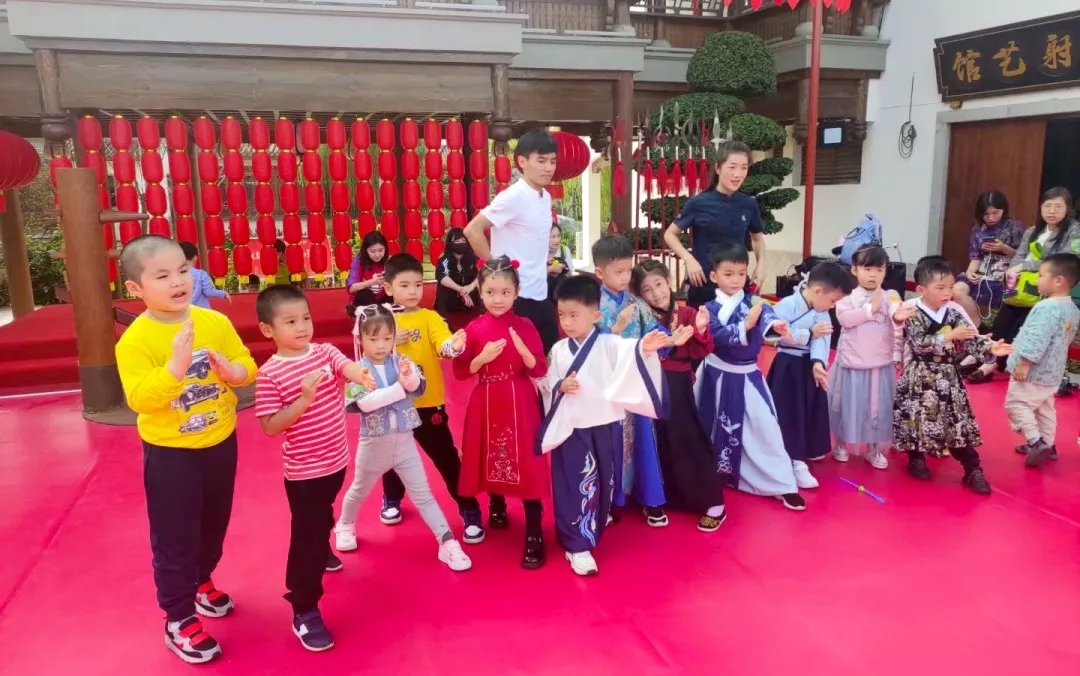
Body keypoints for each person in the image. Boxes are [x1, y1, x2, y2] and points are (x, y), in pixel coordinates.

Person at [114, 235, 257, 665]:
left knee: (214, 523)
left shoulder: (212, 322)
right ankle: (178, 617)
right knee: (175, 536)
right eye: (163, 276)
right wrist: (175, 368)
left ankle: (202, 579)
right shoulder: (135, 341)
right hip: (171, 453)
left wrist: (235, 371)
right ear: (136, 288)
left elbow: (245, 363)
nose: (179, 281)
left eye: (182, 270)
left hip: (220, 441)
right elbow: (139, 398)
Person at [252, 285, 378, 652]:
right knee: (305, 537)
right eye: (290, 321)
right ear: (268, 330)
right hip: (305, 472)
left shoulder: (323, 352)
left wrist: (362, 375)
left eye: (305, 318)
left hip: (337, 460)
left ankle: (322, 548)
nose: (302, 326)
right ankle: (304, 608)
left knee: (323, 516)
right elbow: (271, 426)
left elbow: (346, 365)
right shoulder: (270, 374)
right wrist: (304, 399)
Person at [541, 275, 672, 575]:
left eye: (574, 315)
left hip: (606, 425)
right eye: (562, 315)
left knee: (603, 481)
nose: (567, 322)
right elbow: (546, 381)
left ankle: (594, 525)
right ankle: (577, 544)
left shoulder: (611, 344)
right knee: (575, 484)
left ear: (595, 315)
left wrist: (645, 347)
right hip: (573, 428)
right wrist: (559, 383)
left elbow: (632, 354)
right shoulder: (560, 350)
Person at [333, 304, 473, 571]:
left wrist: (409, 377)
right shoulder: (356, 370)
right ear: (360, 339)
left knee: (424, 495)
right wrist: (400, 387)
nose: (381, 345)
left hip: (405, 441)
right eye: (373, 339)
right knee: (359, 489)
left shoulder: (401, 362)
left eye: (387, 337)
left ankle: (447, 541)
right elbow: (366, 403)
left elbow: (417, 388)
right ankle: (345, 524)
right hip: (374, 443)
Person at [377, 254, 483, 544]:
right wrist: (389, 341)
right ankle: (391, 499)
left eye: (417, 284)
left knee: (447, 459)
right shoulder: (379, 320)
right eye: (404, 285)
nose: (413, 291)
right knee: (393, 458)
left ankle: (469, 508)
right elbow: (364, 355)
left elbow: (443, 344)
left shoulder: (430, 317)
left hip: (428, 405)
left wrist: (455, 345)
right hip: (392, 404)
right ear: (389, 288)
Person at [693, 241, 805, 510]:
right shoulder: (708, 308)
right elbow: (717, 335)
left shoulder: (754, 302)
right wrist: (746, 324)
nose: (735, 280)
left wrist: (775, 325)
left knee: (765, 428)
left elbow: (767, 318)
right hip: (716, 376)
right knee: (709, 427)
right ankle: (712, 475)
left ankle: (781, 483)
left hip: (747, 376)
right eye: (728, 274)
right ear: (714, 276)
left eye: (741, 274)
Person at [453, 256, 549, 568]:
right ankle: (496, 503)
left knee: (527, 459)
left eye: (505, 292)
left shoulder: (525, 326)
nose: (498, 298)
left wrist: (526, 355)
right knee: (489, 453)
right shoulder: (474, 328)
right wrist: (479, 359)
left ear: (516, 292)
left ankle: (534, 531)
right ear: (480, 292)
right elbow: (460, 372)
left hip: (520, 397)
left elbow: (540, 369)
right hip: (487, 398)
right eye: (491, 292)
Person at [893, 257, 1012, 493]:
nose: (947, 293)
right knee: (916, 419)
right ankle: (916, 457)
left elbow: (969, 337)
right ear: (921, 289)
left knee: (955, 422)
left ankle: (972, 468)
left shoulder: (954, 312)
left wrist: (989, 349)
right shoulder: (912, 312)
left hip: (948, 377)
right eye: (940, 288)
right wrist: (948, 336)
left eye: (949, 287)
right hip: (920, 375)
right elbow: (918, 343)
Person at [631, 260, 726, 532]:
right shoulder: (641, 316)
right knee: (655, 442)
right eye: (647, 290)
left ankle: (712, 501)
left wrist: (702, 329)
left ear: (668, 280)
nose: (656, 293)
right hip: (647, 385)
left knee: (687, 438)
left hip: (676, 384)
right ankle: (662, 497)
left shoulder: (687, 313)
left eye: (659, 284)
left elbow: (700, 351)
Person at [592, 234, 668, 526]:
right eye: (619, 271)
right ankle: (609, 499)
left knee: (643, 442)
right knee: (608, 444)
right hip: (606, 386)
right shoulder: (592, 305)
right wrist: (613, 328)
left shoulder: (637, 303)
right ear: (600, 272)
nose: (626, 277)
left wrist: (671, 338)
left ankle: (651, 499)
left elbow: (656, 333)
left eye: (628, 269)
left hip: (635, 383)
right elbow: (585, 345)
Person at [968, 187, 1080, 384]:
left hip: (1052, 286)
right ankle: (986, 354)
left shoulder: (1074, 231)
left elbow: (1062, 260)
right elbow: (1018, 256)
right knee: (1006, 316)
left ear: (1067, 209)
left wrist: (1024, 266)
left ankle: (992, 363)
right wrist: (1014, 269)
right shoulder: (1032, 231)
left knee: (1023, 322)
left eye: (1057, 207)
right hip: (1023, 285)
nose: (1051, 211)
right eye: (1047, 206)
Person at [464, 130, 560, 353]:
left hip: (540, 292)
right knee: (517, 364)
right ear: (522, 162)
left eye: (552, 161)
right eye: (542, 161)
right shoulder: (513, 196)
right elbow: (473, 230)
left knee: (547, 359)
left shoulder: (544, 196)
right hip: (515, 297)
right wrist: (496, 269)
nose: (548, 168)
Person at [766, 261, 853, 488]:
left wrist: (818, 363)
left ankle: (809, 448)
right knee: (790, 412)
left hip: (808, 366)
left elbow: (823, 338)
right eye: (833, 300)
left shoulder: (821, 310)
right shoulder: (786, 305)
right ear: (817, 291)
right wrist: (807, 333)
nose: (832, 306)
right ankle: (794, 459)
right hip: (788, 364)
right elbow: (773, 336)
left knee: (810, 408)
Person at [663, 140, 768, 308]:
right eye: (732, 167)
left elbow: (756, 239)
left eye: (744, 167)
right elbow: (670, 234)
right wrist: (689, 260)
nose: (738, 174)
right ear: (718, 168)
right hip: (703, 286)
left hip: (736, 287)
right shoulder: (698, 203)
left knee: (738, 331)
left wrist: (761, 265)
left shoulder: (749, 204)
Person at [829, 245, 906, 469]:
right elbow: (846, 320)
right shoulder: (846, 298)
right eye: (867, 268)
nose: (873, 274)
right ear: (855, 270)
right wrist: (870, 310)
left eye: (879, 269)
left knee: (877, 406)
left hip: (880, 363)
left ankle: (873, 448)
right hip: (851, 362)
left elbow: (895, 313)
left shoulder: (891, 296)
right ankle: (841, 443)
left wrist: (899, 317)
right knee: (847, 404)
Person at [1005, 253, 1080, 467]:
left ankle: (1036, 442)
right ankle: (1049, 444)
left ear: (1058, 281)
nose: (1036, 279)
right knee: (1044, 407)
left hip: (1033, 371)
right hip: (1053, 371)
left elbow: (1037, 338)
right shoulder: (1072, 308)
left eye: (1040, 275)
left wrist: (1024, 363)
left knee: (1017, 403)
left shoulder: (1046, 308)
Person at [951, 191, 1025, 326]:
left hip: (1006, 271)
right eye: (986, 214)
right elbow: (975, 255)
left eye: (995, 213)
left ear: (1004, 210)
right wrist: (970, 272)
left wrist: (1003, 248)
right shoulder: (978, 228)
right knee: (957, 290)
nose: (991, 218)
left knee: (1000, 296)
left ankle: (991, 327)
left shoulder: (1014, 226)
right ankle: (975, 324)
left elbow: (1021, 256)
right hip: (982, 269)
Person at [434, 227, 481, 321]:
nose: (460, 243)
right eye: (457, 241)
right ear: (450, 244)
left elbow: (484, 273)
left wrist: (471, 286)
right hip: (448, 302)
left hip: (470, 301)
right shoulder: (444, 260)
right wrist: (461, 290)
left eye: (463, 240)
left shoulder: (473, 259)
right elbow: (442, 277)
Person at [345, 231, 388, 312]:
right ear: (366, 250)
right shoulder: (358, 261)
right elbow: (351, 288)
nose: (377, 255)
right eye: (372, 251)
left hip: (383, 298)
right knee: (365, 294)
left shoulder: (389, 260)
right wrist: (371, 282)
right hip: (364, 300)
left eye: (381, 250)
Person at [179, 242, 229, 309]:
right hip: (202, 311)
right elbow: (209, 292)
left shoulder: (175, 275)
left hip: (183, 311)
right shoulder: (201, 274)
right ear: (195, 257)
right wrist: (224, 293)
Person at [547, 221, 574, 301]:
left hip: (560, 292)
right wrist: (550, 269)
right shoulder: (540, 252)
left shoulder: (564, 250)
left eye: (558, 236)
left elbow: (569, 273)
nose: (557, 240)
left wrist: (562, 271)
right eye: (553, 237)